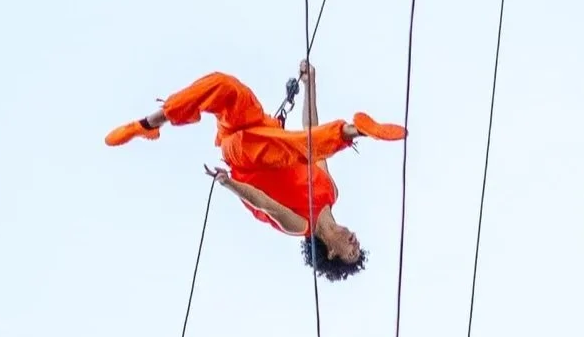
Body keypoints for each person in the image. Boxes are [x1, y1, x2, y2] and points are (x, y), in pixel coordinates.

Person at [106, 69, 403, 280]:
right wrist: (311, 84)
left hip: (246, 156)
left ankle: (355, 131)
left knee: (294, 148)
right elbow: (311, 133)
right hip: (259, 130)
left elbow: (265, 204)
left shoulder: (300, 225)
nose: (355, 242)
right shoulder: (331, 192)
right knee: (225, 86)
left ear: (333, 255)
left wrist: (229, 183)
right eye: (358, 246)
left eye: (351, 252)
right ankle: (148, 125)